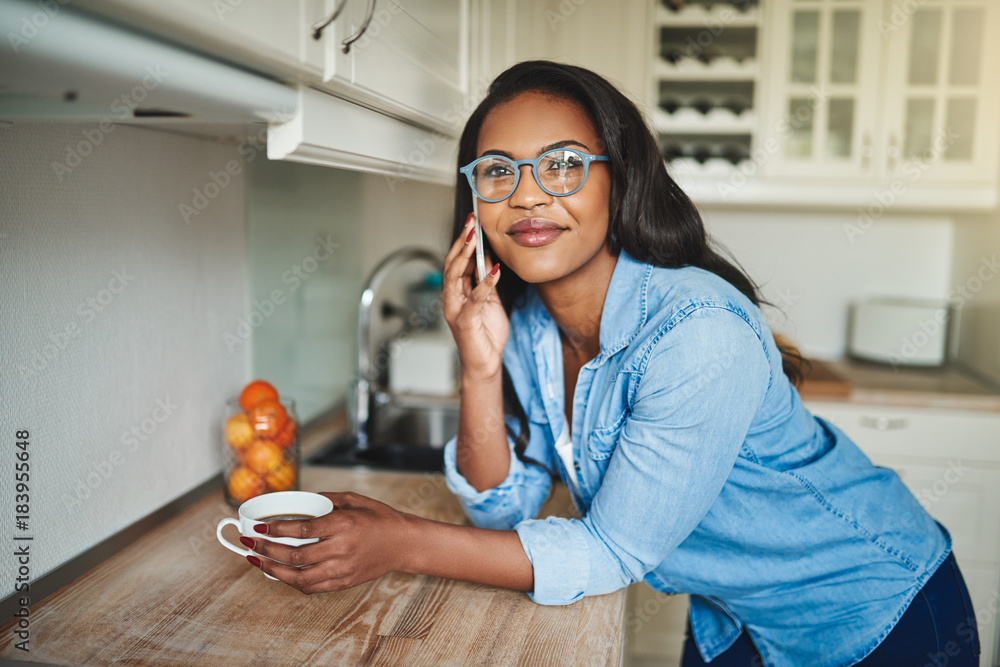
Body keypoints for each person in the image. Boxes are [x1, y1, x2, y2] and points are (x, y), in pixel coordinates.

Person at [242, 61, 981, 666]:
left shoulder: (698, 331)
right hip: (734, 616)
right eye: (497, 171)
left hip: (879, 609)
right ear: (474, 199)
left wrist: (400, 541)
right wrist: (477, 366)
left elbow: (610, 551)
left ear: (618, 178)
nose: (528, 194)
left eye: (562, 165)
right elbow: (503, 506)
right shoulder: (527, 325)